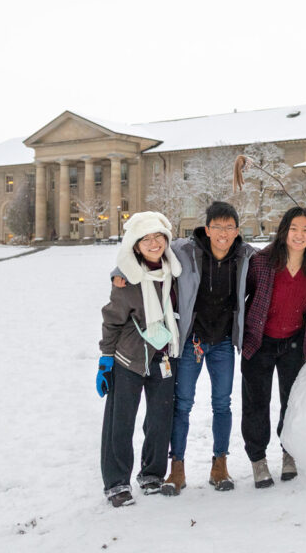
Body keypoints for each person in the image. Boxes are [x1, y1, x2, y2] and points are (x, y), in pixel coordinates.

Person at [112, 201, 255, 495]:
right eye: (217, 227)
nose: (223, 233)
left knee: (222, 403)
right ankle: (176, 467)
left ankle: (220, 464)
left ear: (237, 230)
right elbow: (151, 251)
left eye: (230, 227)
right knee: (183, 404)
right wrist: (119, 270)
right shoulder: (185, 251)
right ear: (207, 228)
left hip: (224, 343)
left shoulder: (246, 256)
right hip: (192, 341)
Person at [97, 211, 181, 507]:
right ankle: (117, 482)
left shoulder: (177, 272)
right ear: (135, 245)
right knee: (120, 422)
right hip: (128, 359)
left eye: (158, 236)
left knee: (160, 419)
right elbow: (112, 321)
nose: (153, 242)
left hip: (164, 358)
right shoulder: (126, 280)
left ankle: (152, 473)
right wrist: (105, 359)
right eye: (146, 238)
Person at [241, 207, 306, 488]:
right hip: (260, 342)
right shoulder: (262, 261)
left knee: (292, 403)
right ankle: (258, 459)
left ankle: (289, 452)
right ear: (284, 230)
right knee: (256, 403)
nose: (299, 235)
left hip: (295, 344)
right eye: (294, 228)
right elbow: (244, 293)